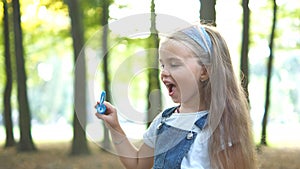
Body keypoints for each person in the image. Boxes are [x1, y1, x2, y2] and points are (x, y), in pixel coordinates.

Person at [95, 23, 257, 169]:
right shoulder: (163, 121)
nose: (164, 72)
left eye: (174, 64)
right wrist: (114, 126)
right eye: (163, 65)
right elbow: (138, 164)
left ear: (205, 71)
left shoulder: (220, 128)